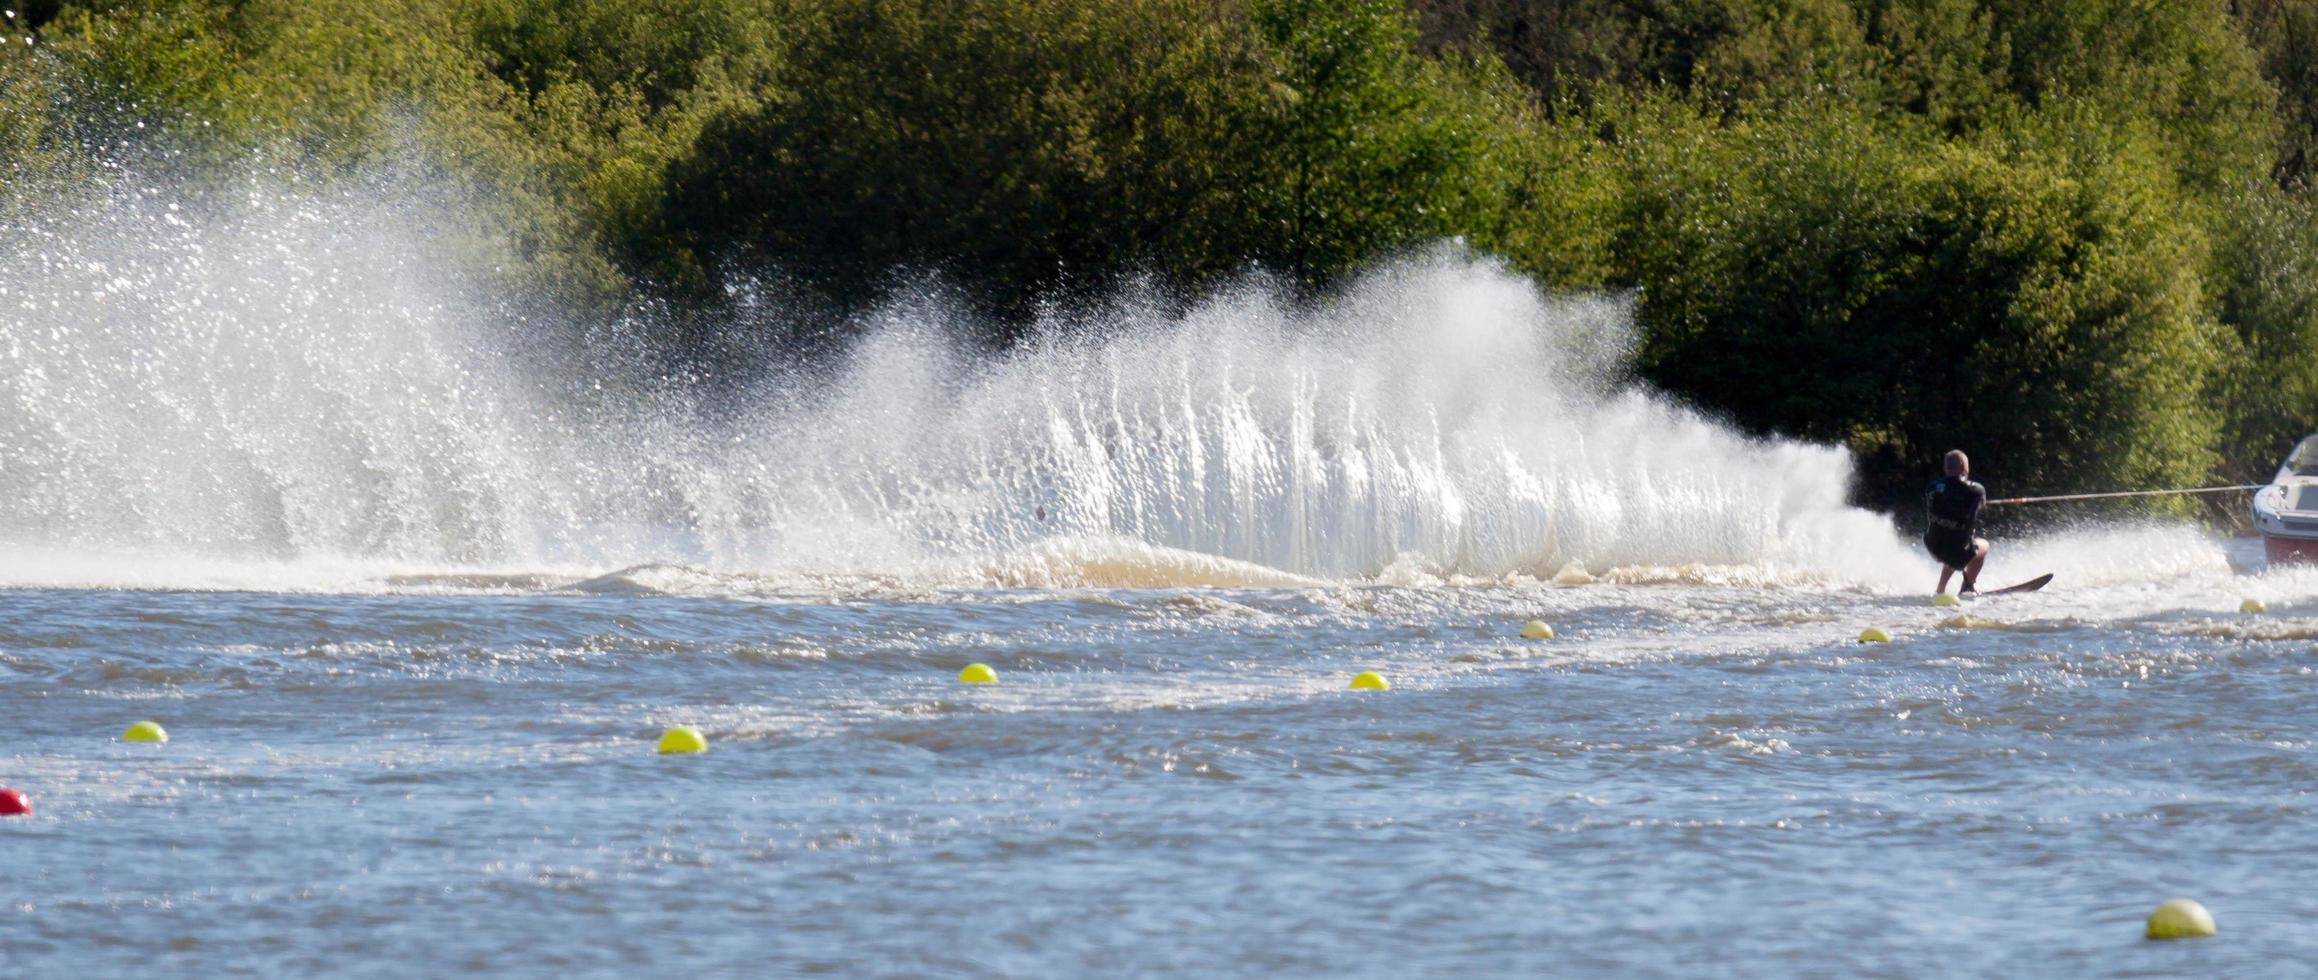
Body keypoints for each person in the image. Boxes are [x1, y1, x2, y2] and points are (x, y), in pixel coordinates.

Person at [1925, 449, 1988, 595]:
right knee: (1983, 545)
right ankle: (1968, 585)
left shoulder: (1932, 487)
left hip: (1932, 544)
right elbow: (1980, 504)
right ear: (1964, 467)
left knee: (1951, 541)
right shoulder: (1976, 490)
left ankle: (1940, 589)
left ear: (1946, 468)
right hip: (1956, 550)